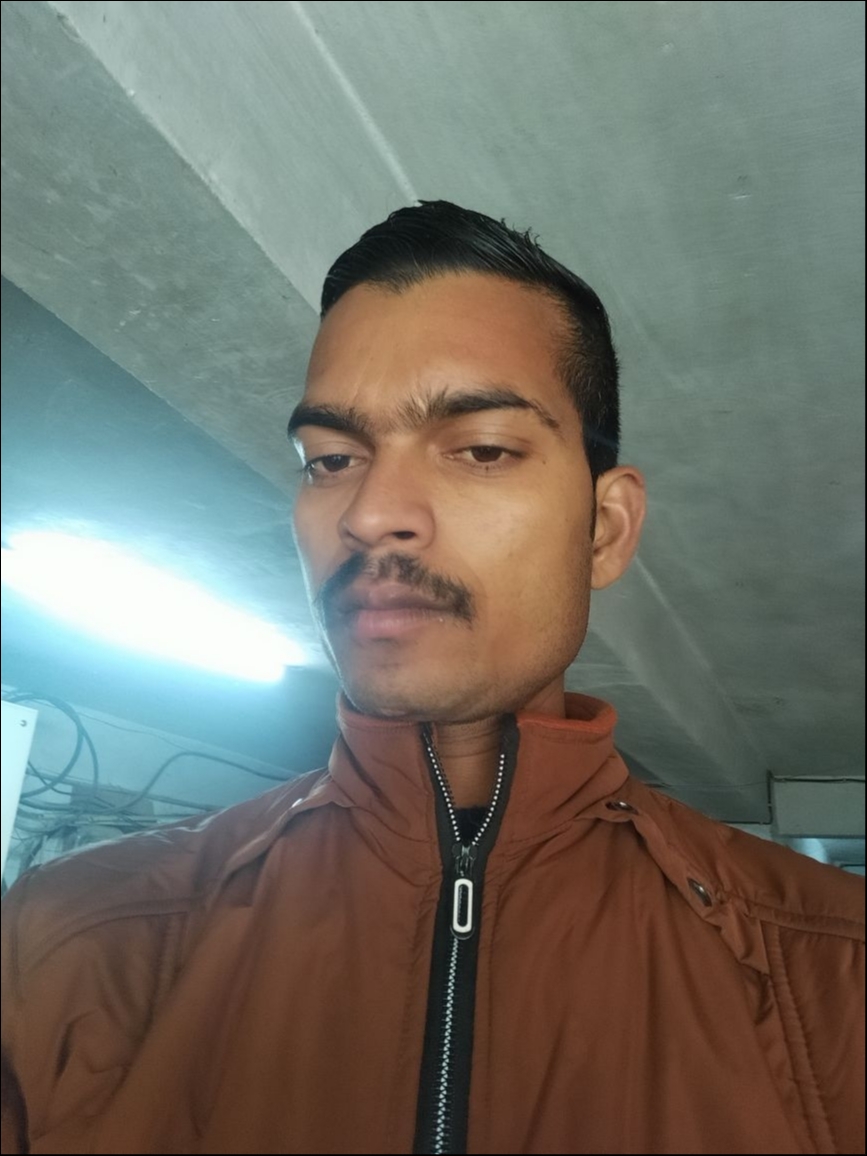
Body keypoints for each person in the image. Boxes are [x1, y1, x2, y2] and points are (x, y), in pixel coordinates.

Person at [1, 200, 863, 1156]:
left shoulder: (831, 966)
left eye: (482, 449)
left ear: (604, 529)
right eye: (331, 459)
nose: (370, 513)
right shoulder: (70, 943)